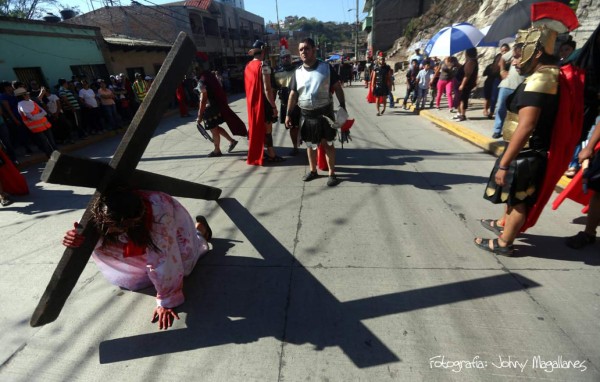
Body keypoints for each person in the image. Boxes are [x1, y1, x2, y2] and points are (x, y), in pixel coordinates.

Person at [475, 8, 583, 256]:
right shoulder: (542, 75)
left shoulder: (540, 80)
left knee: (519, 199)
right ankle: (504, 227)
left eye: (517, 55)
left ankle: (504, 243)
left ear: (534, 53)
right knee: (513, 195)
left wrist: (505, 163)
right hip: (524, 150)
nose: (514, 61)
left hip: (528, 151)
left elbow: (526, 125)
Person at [62, 188, 212, 330]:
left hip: (167, 225)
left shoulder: (160, 214)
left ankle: (200, 232)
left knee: (184, 260)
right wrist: (78, 239)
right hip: (129, 225)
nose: (113, 231)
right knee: (107, 246)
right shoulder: (101, 208)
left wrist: (166, 301)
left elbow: (164, 259)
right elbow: (90, 236)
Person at [286, 37, 346, 187]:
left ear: (314, 50)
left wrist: (343, 106)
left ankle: (332, 173)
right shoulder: (297, 72)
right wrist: (288, 113)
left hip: (325, 113)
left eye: (306, 48)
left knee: (328, 144)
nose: (303, 52)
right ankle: (313, 171)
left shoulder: (326, 68)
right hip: (306, 114)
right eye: (301, 49)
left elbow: (338, 87)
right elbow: (293, 94)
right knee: (310, 145)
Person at [244, 40, 284, 165]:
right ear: (263, 51)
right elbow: (267, 89)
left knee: (257, 128)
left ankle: (262, 152)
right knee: (268, 130)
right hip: (263, 103)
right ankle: (272, 154)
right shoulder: (264, 66)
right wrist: (273, 106)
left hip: (252, 104)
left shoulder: (248, 66)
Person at [195, 57, 245, 157]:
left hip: (210, 109)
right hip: (216, 106)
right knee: (216, 128)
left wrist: (200, 115)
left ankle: (217, 150)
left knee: (214, 130)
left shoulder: (202, 80)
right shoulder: (209, 75)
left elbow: (203, 99)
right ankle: (232, 141)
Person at [491, 44, 525, 139]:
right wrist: (502, 70)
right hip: (507, 84)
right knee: (500, 107)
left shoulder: (531, 51)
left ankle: (514, 133)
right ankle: (497, 130)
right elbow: (502, 59)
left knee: (517, 112)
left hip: (521, 87)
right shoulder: (515, 49)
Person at [274, 49, 301, 156]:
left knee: (304, 125)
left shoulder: (299, 70)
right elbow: (274, 90)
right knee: (292, 127)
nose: (286, 59)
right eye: (283, 57)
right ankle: (295, 147)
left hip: (300, 103)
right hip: (286, 104)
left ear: (291, 58)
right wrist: (272, 106)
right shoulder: (277, 73)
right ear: (281, 59)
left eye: (287, 57)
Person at [15, 87, 57, 157]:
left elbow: (44, 112)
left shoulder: (32, 102)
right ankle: (50, 155)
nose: (28, 95)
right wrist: (40, 115)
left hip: (45, 124)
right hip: (37, 128)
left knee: (51, 140)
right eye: (26, 94)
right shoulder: (21, 105)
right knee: (44, 142)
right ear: (23, 96)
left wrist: (38, 115)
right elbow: (31, 117)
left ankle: (56, 153)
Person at [452, 47, 478, 122]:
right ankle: (459, 114)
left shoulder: (471, 62)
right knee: (459, 99)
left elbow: (467, 75)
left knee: (463, 99)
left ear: (468, 53)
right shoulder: (470, 61)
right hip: (460, 82)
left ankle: (462, 115)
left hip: (464, 84)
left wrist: (462, 84)